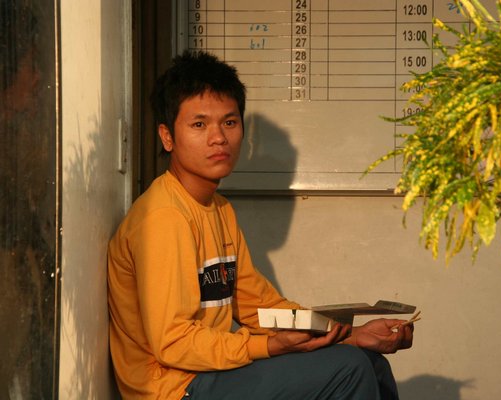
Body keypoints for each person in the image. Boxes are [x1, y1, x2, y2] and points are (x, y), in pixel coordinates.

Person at [107, 51, 415, 400]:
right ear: (167, 137)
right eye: (199, 125)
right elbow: (173, 343)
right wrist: (269, 346)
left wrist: (351, 335)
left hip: (210, 372)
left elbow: (258, 306)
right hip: (174, 387)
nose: (218, 138)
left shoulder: (219, 209)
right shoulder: (164, 216)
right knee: (350, 368)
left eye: (229, 122)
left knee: (369, 360)